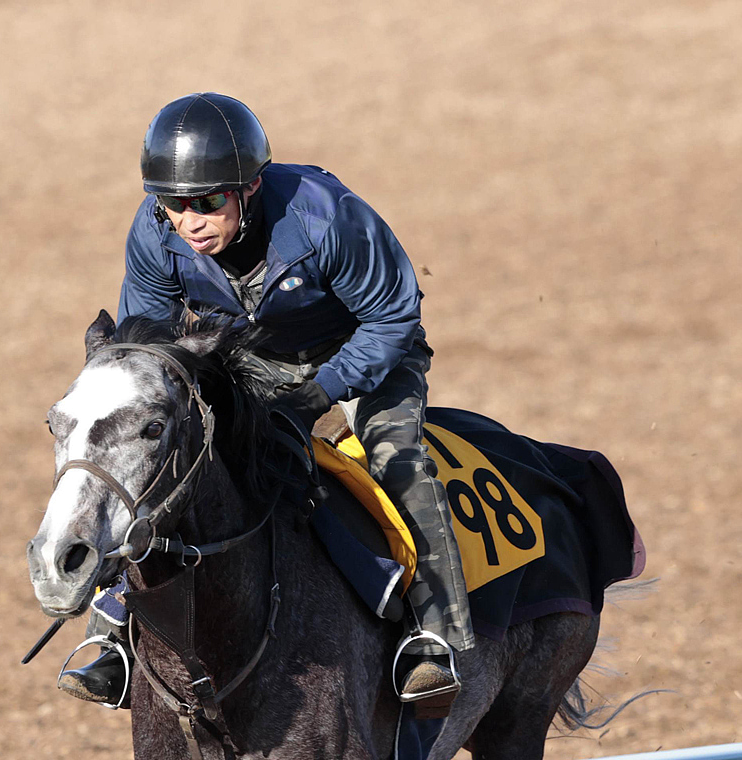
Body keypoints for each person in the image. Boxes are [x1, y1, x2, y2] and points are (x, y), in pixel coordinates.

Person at [60, 92, 474, 714]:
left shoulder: (327, 217)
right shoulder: (153, 233)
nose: (189, 221)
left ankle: (435, 635)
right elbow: (146, 344)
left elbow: (392, 318)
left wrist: (319, 394)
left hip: (363, 353)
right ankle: (113, 630)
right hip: (249, 360)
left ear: (249, 189)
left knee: (397, 459)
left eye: (207, 203)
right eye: (173, 204)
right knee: (159, 454)